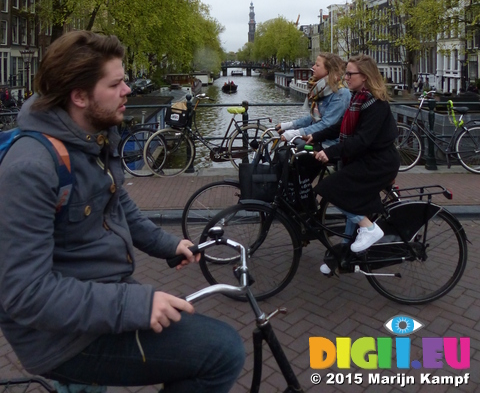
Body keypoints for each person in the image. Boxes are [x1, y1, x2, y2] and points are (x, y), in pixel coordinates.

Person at [0, 31, 244, 393]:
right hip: (63, 339)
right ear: (80, 96)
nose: (128, 90)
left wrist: (167, 244)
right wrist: (137, 303)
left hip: (99, 297)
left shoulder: (91, 138)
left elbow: (118, 204)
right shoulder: (31, 167)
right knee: (223, 352)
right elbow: (24, 294)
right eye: (115, 84)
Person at [305, 54, 400, 273]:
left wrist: (330, 152)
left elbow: (362, 141)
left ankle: (370, 229)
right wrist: (316, 137)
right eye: (346, 73)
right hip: (366, 160)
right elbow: (340, 127)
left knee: (330, 189)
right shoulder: (359, 99)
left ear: (364, 76)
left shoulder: (376, 104)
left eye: (350, 73)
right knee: (352, 202)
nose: (345, 77)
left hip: (379, 163)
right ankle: (345, 258)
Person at [275, 53, 351, 209]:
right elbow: (313, 118)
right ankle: (298, 197)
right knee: (287, 157)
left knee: (299, 159)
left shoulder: (340, 93)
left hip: (332, 142)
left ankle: (306, 202)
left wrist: (294, 133)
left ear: (328, 70)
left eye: (317, 65)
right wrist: (289, 125)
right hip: (321, 139)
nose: (313, 68)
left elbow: (326, 124)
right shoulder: (324, 90)